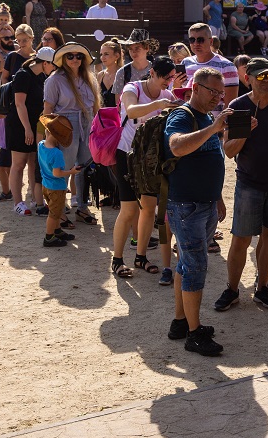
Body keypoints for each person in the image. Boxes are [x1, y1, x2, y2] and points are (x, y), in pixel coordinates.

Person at [216, 57, 268, 311]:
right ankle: (232, 289)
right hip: (248, 184)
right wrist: (245, 133)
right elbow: (229, 151)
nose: (267, 81)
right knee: (241, 239)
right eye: (261, 76)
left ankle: (263, 287)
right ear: (248, 79)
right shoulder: (237, 106)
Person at [164, 69, 229, 355]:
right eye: (213, 92)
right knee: (195, 267)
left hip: (204, 203)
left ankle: (181, 322)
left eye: (221, 93)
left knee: (186, 264)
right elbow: (176, 146)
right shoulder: (183, 115)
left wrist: (218, 197)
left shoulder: (205, 117)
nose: (218, 97)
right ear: (196, 88)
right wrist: (213, 128)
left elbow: (211, 159)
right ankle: (194, 334)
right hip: (187, 205)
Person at [109, 56, 178, 280]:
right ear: (153, 73)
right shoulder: (133, 87)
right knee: (129, 210)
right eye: (165, 77)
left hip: (150, 159)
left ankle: (140, 257)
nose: (168, 81)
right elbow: (131, 110)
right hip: (127, 155)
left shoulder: (168, 95)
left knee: (148, 207)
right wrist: (158, 105)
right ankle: (117, 260)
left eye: (171, 77)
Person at [43, 43, 100, 225]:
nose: (75, 59)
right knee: (64, 168)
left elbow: (95, 106)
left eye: (79, 56)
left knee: (84, 168)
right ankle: (58, 210)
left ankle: (82, 208)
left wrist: (97, 128)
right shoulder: (54, 80)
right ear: (63, 59)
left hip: (87, 122)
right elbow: (47, 109)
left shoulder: (89, 78)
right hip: (65, 124)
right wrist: (50, 136)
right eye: (70, 56)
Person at [8, 47, 56, 216]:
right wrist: (27, 129)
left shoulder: (42, 76)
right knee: (18, 163)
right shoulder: (23, 75)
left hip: (35, 126)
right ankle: (17, 202)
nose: (54, 69)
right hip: (19, 125)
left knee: (33, 161)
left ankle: (36, 199)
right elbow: (19, 104)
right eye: (53, 65)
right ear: (45, 63)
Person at [37, 115, 77, 249]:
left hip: (46, 185)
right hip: (56, 187)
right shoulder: (57, 153)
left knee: (57, 211)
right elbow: (57, 173)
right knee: (54, 214)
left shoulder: (41, 145)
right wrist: (71, 171)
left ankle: (57, 230)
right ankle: (49, 237)